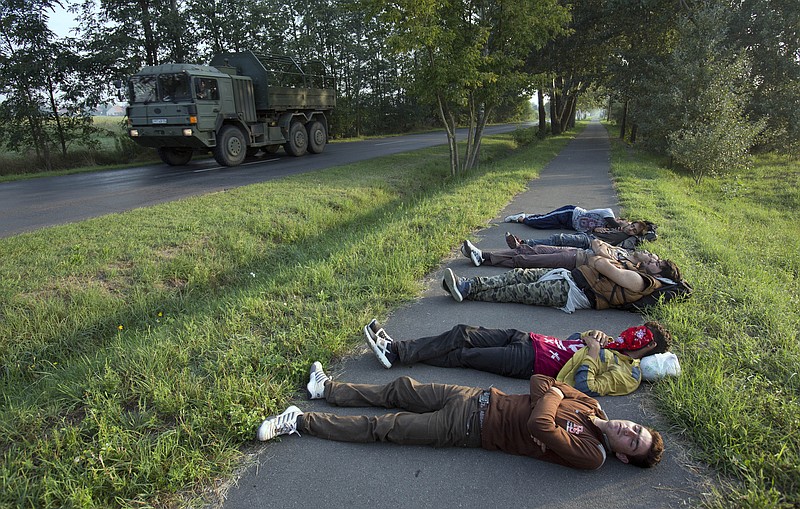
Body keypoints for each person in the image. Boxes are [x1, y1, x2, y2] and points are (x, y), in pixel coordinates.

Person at [257, 364, 664, 470]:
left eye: (632, 440)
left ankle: (299, 421)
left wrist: (552, 401)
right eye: (637, 428)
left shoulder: (592, 453)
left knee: (384, 428)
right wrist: (554, 397)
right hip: (477, 396)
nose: (629, 430)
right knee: (399, 388)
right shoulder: (593, 407)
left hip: (469, 428)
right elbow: (542, 380)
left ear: (624, 455)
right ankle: (325, 390)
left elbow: (537, 424)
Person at [362, 319, 673, 396]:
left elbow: (587, 388)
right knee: (462, 331)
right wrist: (594, 337)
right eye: (640, 328)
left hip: (530, 363)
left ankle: (396, 351)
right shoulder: (616, 345)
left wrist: (593, 354)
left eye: (643, 335)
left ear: (648, 349)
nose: (635, 333)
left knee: (464, 355)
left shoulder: (629, 376)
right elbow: (576, 340)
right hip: (531, 339)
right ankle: (399, 349)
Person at [441, 253, 683, 313]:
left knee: (517, 291)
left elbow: (599, 264)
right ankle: (467, 285)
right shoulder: (636, 271)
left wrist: (605, 260)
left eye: (656, 262)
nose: (652, 259)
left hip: (571, 292)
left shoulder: (641, 281)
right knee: (519, 273)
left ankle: (468, 292)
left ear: (659, 274)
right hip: (571, 278)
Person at [461, 238, 669, 274]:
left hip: (574, 262)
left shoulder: (628, 267)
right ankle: (482, 256)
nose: (649, 254)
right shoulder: (625, 252)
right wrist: (601, 250)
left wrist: (602, 251)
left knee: (528, 261)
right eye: (652, 254)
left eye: (652, 259)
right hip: (576, 252)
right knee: (532, 250)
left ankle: (483, 256)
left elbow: (601, 258)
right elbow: (596, 243)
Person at [508, 220, 658, 251]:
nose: (631, 229)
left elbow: (651, 237)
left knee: (558, 239)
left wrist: (651, 228)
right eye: (632, 226)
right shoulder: (620, 228)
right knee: (556, 244)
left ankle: (523, 243)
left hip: (590, 242)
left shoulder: (630, 239)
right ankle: (524, 246)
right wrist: (598, 229)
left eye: (634, 230)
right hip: (588, 235)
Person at [504, 205, 626, 232]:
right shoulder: (608, 213)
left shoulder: (607, 229)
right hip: (570, 213)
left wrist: (595, 230)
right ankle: (520, 218)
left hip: (570, 225)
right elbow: (615, 224)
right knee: (537, 223)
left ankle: (527, 215)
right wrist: (623, 228)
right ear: (620, 218)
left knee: (543, 222)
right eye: (624, 222)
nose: (623, 224)